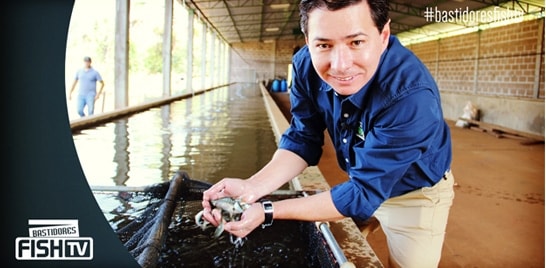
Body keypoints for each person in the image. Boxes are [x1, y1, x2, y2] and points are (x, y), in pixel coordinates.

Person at [201, 0, 455, 267]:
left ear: (383, 36)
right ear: (308, 40)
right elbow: (303, 137)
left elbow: (362, 193)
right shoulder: (304, 66)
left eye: (356, 42)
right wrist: (251, 187)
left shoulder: (410, 95)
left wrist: (267, 210)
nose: (340, 65)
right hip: (360, 178)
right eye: (324, 45)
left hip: (413, 194)